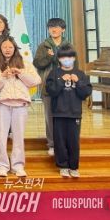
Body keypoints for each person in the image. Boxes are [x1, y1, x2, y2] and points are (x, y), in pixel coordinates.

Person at [0, 37, 41, 178]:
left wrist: (21, 73)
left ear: (15, 48)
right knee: (1, 135)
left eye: (10, 47)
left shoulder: (24, 63)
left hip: (20, 104)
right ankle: (1, 166)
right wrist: (2, 76)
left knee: (18, 136)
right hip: (2, 103)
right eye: (4, 47)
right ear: (0, 49)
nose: (7, 50)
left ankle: (18, 165)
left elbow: (36, 81)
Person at [45, 44, 92, 178]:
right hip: (59, 113)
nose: (67, 59)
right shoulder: (54, 73)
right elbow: (51, 91)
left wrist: (78, 82)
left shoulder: (80, 74)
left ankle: (74, 167)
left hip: (74, 114)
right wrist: (61, 81)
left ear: (74, 58)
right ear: (59, 59)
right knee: (59, 141)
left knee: (73, 141)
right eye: (64, 57)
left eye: (70, 57)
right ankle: (63, 166)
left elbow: (85, 93)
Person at [33, 18, 72, 157]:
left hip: (66, 87)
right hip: (48, 87)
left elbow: (74, 67)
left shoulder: (69, 46)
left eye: (56, 27)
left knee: (65, 116)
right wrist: (49, 58)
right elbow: (37, 63)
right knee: (50, 117)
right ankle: (52, 145)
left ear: (63, 29)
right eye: (51, 27)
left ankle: (64, 144)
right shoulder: (43, 46)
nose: (53, 29)